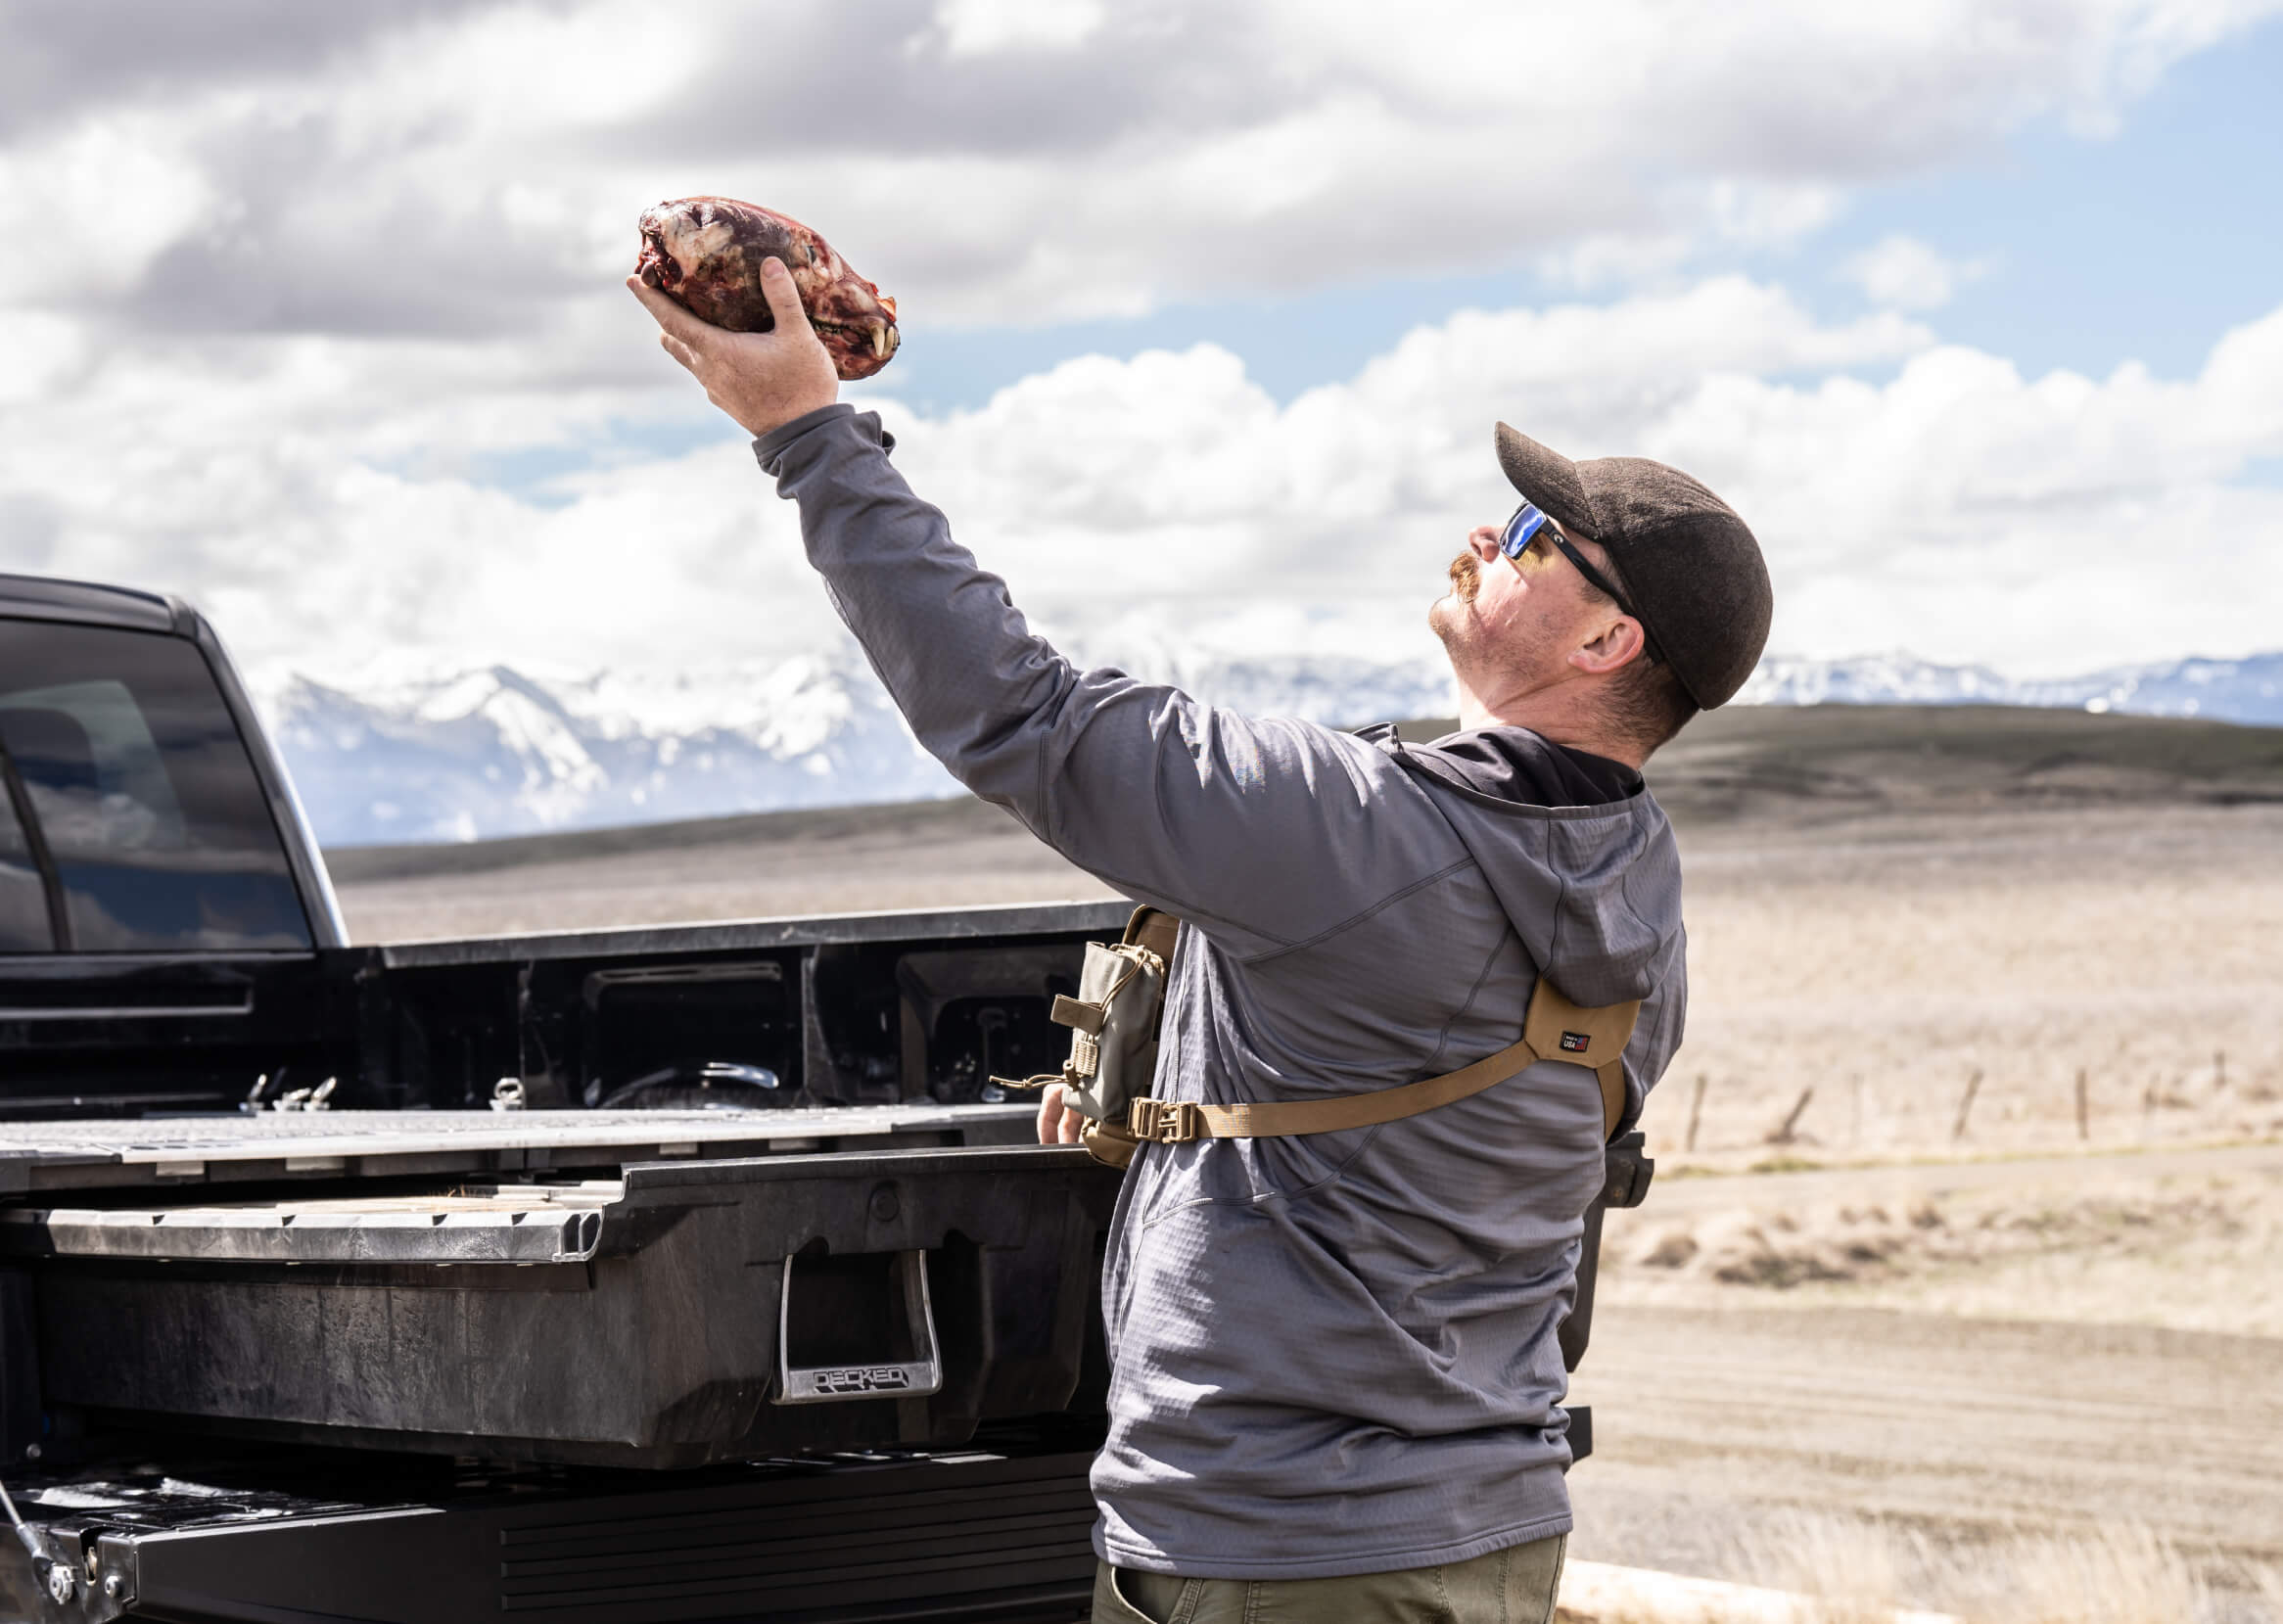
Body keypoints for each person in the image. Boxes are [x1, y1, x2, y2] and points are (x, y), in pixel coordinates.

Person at [629, 259, 1772, 1624]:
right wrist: (1174, 1114)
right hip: (1481, 1538)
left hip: (1280, 1559)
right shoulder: (1640, 890)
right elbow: (1411, 1126)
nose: (1490, 530)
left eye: (1535, 531)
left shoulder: (1353, 832)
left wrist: (806, 432)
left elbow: (1021, 718)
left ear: (1605, 638)